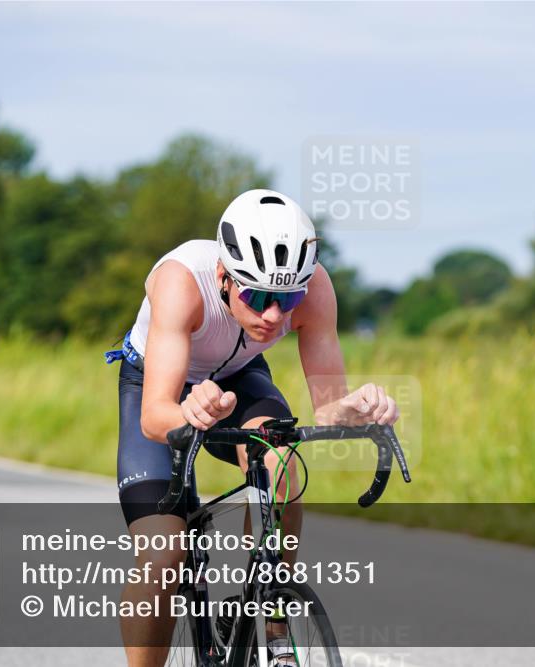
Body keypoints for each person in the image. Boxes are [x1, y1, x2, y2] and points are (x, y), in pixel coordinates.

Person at [107, 188, 400, 666]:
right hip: (157, 387)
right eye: (259, 296)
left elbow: (329, 409)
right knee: (163, 557)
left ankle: (273, 620)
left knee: (279, 460)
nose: (273, 315)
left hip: (237, 378)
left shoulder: (316, 288)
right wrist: (189, 412)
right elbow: (156, 416)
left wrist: (356, 410)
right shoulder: (182, 281)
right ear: (224, 276)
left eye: (287, 298)